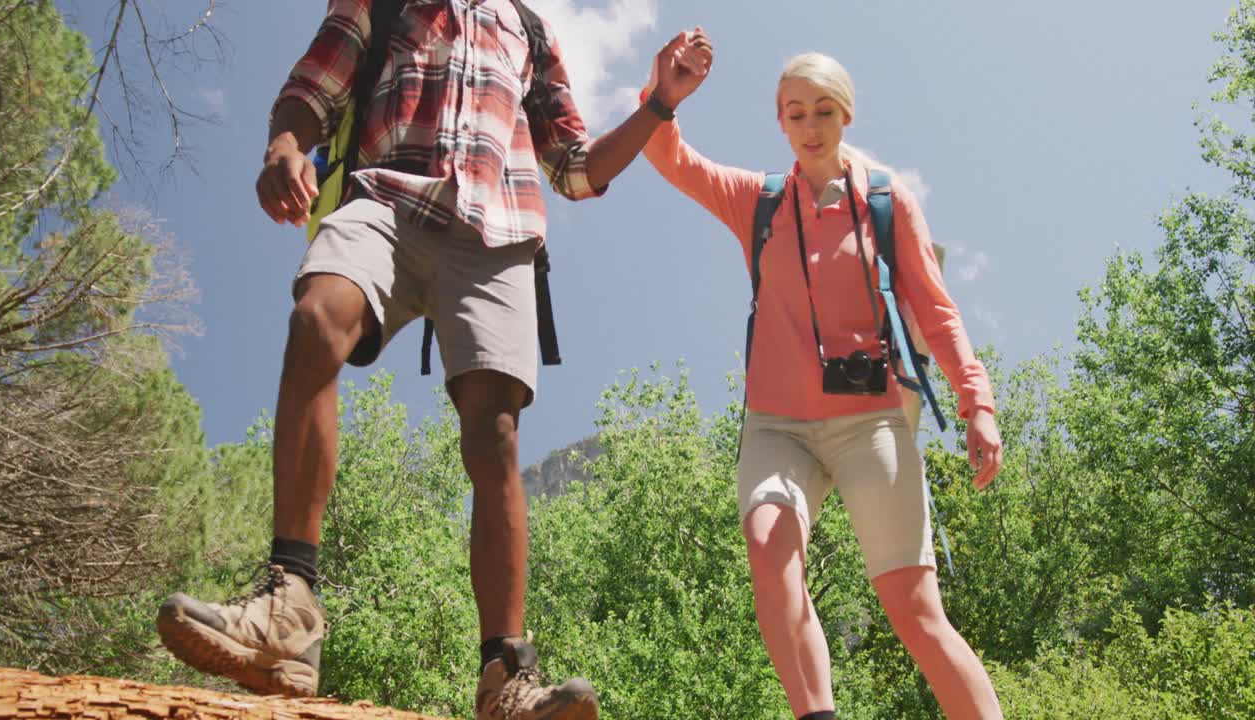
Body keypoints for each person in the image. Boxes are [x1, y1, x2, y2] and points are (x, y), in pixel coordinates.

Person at [155, 2, 712, 717]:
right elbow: (312, 89)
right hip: (384, 198)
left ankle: (504, 677)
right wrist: (284, 149)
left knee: (495, 436)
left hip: (498, 232)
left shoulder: (529, 28)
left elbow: (573, 169)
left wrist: (661, 102)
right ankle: (288, 611)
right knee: (317, 316)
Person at [640, 51, 1005, 720]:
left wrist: (975, 403)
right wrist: (664, 98)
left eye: (824, 112)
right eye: (795, 113)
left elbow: (936, 313)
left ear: (847, 114)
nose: (810, 126)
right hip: (777, 427)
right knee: (769, 551)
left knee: (915, 610)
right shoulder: (759, 200)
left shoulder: (888, 203)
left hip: (872, 425)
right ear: (780, 122)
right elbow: (672, 160)